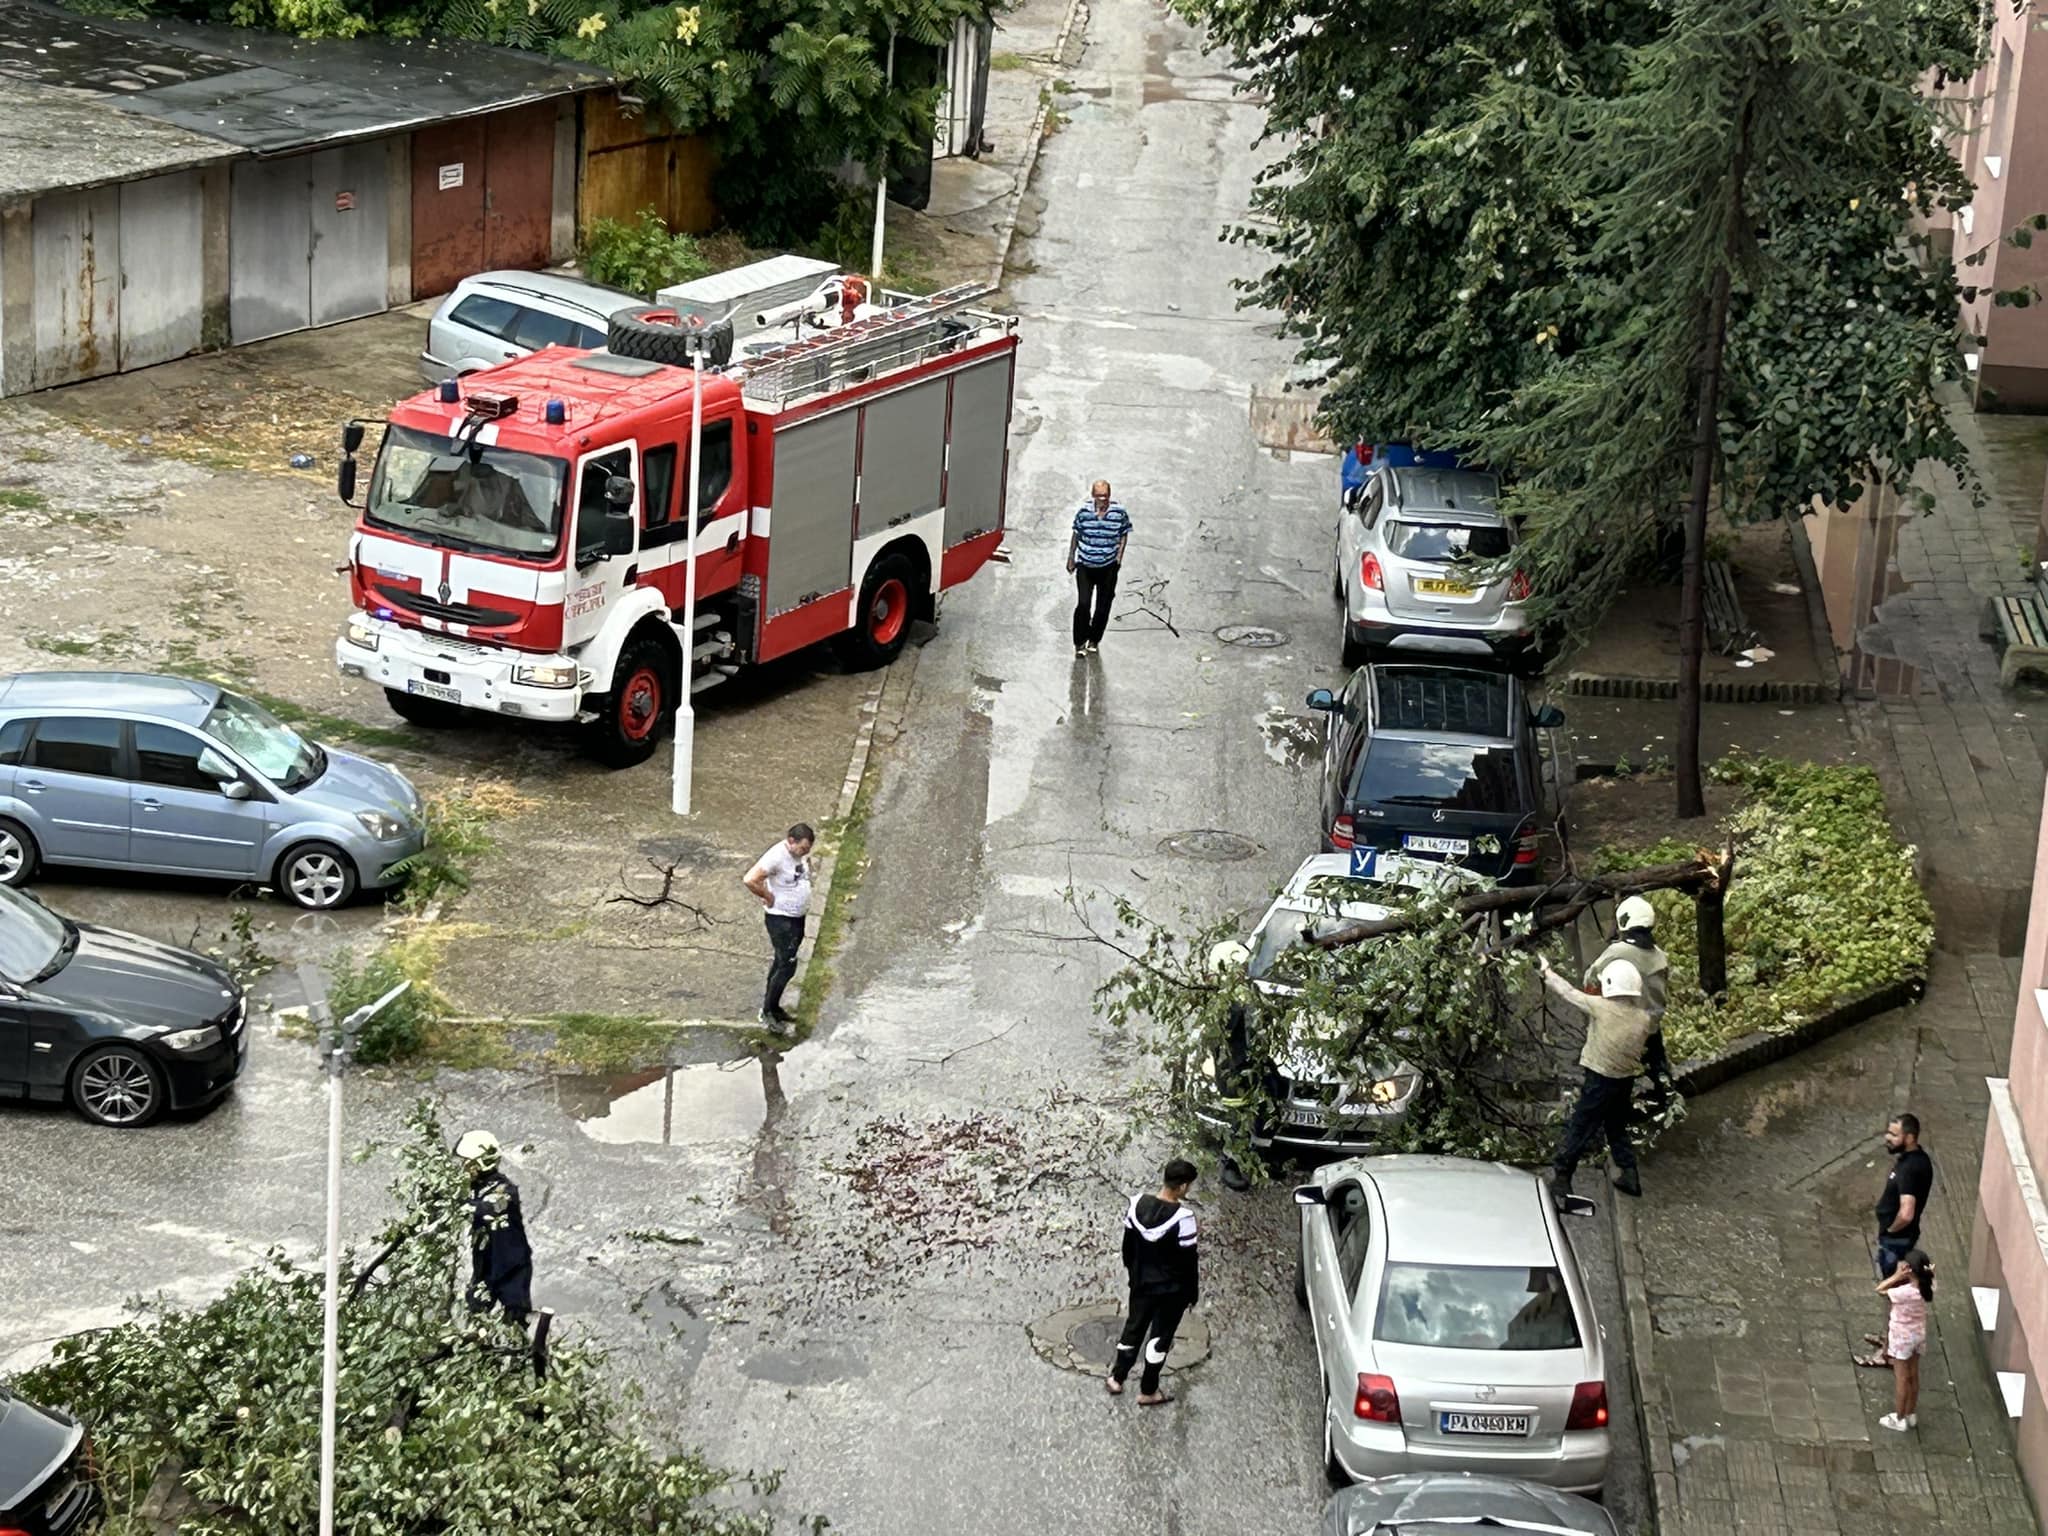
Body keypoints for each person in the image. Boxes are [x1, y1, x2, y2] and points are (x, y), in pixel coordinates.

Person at [1539, 955, 1656, 1203]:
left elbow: (1568, 993)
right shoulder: (1643, 1018)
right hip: (1624, 1080)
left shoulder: (1601, 1007)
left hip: (1600, 1079)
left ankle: (1562, 1177)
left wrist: (1547, 971)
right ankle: (1629, 1173)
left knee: (1581, 1126)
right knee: (1616, 1126)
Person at [1108, 1158, 1199, 1405]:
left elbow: (1127, 1248)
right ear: (1182, 1186)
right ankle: (1148, 1391)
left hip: (1141, 1284)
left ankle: (1117, 1378)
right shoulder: (1184, 1219)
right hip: (1172, 1292)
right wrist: (1192, 1293)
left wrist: (1134, 1274)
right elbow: (1189, 1262)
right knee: (1159, 1338)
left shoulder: (1136, 1205)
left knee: (1133, 1328)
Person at [1585, 895, 1670, 1081]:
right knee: (1658, 1068)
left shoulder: (1617, 952)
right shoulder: (1660, 956)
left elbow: (1591, 980)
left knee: (1606, 1078)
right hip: (1651, 1025)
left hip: (1623, 1027)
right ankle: (1666, 1088)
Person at [456, 1129, 533, 1325]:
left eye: (467, 1163)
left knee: (514, 1321)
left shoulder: (505, 1191)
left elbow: (486, 1207)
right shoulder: (474, 1189)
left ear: (480, 1163)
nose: (463, 1168)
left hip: (511, 1269)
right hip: (486, 1266)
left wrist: (457, 1206)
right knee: (474, 1315)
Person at [744, 823, 815, 1031]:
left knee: (781, 962)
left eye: (807, 849)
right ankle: (767, 1011)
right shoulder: (776, 856)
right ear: (791, 841)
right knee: (787, 966)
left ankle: (774, 1007)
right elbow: (750, 879)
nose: (804, 852)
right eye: (802, 848)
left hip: (796, 917)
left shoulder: (797, 855)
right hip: (781, 919)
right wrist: (767, 896)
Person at [1858, 1249, 1934, 1429]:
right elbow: (1930, 1276)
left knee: (1901, 1379)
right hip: (1918, 1334)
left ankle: (1899, 1418)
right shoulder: (1928, 1285)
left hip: (1901, 1338)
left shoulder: (1904, 1292)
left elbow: (1880, 1289)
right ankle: (1910, 1413)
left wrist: (1897, 1276)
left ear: (1909, 1269)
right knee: (1913, 1375)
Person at [1067, 480, 1131, 656]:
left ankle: (1094, 638)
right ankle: (1079, 641)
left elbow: (1124, 534)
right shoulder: (1084, 513)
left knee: (1103, 605)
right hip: (1085, 565)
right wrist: (1071, 557)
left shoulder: (1119, 513)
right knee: (1083, 604)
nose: (1102, 499)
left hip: (1108, 566)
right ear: (1093, 496)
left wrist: (1119, 558)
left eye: (1105, 496)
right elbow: (1076, 534)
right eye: (1099, 496)